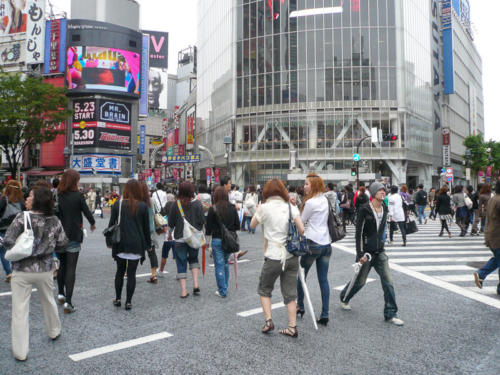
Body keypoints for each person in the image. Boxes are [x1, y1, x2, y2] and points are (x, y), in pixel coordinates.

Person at [3, 187, 68, 361]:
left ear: (37, 199)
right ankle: (54, 331)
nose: (27, 197)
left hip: (21, 270)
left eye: (30, 195)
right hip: (45, 269)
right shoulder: (54, 220)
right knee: (48, 300)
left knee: (19, 310)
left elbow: (8, 241)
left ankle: (20, 352)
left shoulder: (21, 218)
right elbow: (62, 244)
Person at [340, 182, 404, 326]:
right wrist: (360, 253)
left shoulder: (385, 208)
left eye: (384, 191)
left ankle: (391, 313)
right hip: (367, 253)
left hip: (380, 251)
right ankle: (344, 296)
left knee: (388, 282)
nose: (383, 192)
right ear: (374, 193)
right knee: (360, 281)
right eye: (380, 190)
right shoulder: (365, 210)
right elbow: (359, 233)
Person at [250, 179, 305, 337]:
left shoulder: (264, 208)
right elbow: (302, 230)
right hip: (291, 255)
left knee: (264, 289)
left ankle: (269, 321)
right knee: (290, 293)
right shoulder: (291, 207)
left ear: (266, 192)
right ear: (282, 191)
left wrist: (258, 209)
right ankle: (292, 327)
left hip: (273, 255)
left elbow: (252, 226)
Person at [56, 169, 96, 314]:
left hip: (58, 236)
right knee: (71, 268)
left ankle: (60, 294)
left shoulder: (58, 195)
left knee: (62, 266)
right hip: (73, 235)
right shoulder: (78, 196)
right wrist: (92, 223)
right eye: (78, 179)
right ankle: (68, 302)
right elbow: (86, 211)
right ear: (74, 181)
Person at [107, 180, 151, 310]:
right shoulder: (142, 206)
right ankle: (129, 302)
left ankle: (118, 298)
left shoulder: (117, 204)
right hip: (136, 243)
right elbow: (146, 229)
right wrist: (148, 245)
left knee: (119, 271)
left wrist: (110, 242)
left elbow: (111, 225)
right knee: (131, 273)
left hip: (121, 242)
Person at [296, 173, 332, 326]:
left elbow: (301, 223)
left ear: (314, 185)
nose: (304, 187)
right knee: (323, 279)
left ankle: (301, 306)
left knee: (302, 277)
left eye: (306, 184)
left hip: (312, 243)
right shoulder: (325, 200)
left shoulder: (310, 203)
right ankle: (325, 313)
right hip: (326, 244)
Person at [168, 181, 205, 298]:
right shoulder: (198, 204)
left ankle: (183, 291)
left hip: (179, 238)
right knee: (194, 259)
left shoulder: (176, 204)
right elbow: (202, 221)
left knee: (181, 263)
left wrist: (169, 234)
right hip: (193, 238)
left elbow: (171, 223)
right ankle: (195, 285)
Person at [206, 187, 240, 297]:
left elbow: (208, 228)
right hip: (229, 240)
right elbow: (237, 226)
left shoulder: (213, 209)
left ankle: (222, 290)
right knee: (225, 264)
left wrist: (206, 243)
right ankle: (224, 287)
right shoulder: (232, 208)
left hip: (217, 240)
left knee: (219, 265)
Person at [473, 183, 500, 295]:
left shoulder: (494, 199)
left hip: (491, 234)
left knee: (498, 259)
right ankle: (481, 274)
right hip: (497, 236)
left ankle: (498, 287)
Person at [0, 180, 25, 283]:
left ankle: (9, 272)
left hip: (3, 229)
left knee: (3, 252)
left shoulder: (3, 199)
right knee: (17, 251)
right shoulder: (21, 201)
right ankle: (18, 271)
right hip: (17, 230)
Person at [140, 181, 159, 284]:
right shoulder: (151, 201)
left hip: (139, 230)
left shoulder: (137, 202)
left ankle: (126, 272)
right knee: (152, 252)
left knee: (133, 251)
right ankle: (154, 274)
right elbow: (156, 212)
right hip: (151, 230)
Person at [158, 194, 176, 277]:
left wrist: (159, 231)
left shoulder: (164, 217)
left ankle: (161, 271)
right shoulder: (177, 216)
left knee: (164, 256)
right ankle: (179, 272)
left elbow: (164, 230)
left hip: (167, 240)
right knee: (177, 257)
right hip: (176, 239)